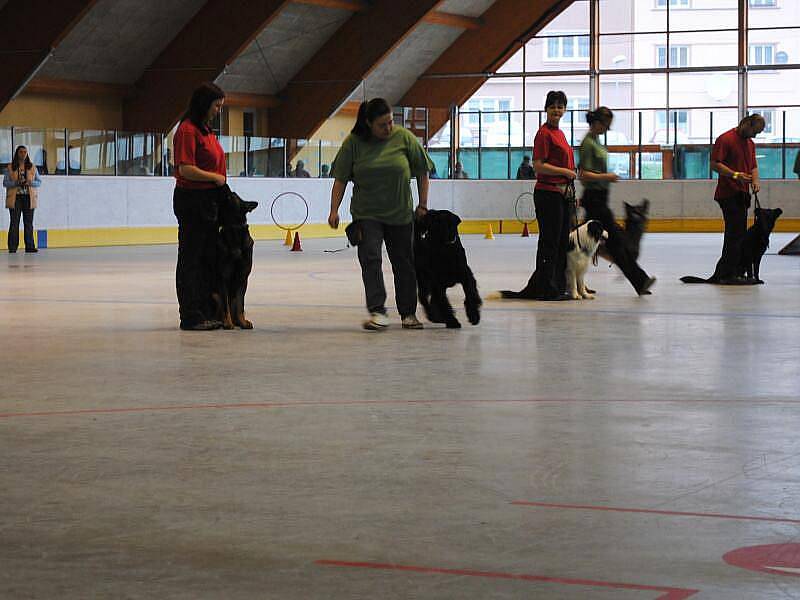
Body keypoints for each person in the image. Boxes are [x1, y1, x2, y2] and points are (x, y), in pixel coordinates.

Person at [328, 97, 432, 330]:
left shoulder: (404, 138)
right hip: (367, 214)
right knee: (370, 259)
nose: (388, 128)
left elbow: (423, 172)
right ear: (368, 124)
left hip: (401, 214)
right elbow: (340, 179)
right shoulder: (353, 143)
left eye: (390, 122)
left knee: (404, 263)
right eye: (382, 124)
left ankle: (408, 313)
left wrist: (423, 204)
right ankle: (378, 311)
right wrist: (333, 210)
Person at [505, 91, 576, 300]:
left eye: (561, 106)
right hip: (548, 194)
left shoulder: (560, 134)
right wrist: (565, 172)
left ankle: (559, 286)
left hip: (563, 194)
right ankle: (546, 288)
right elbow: (539, 166)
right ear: (546, 109)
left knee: (562, 242)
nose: (557, 110)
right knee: (550, 243)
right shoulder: (543, 134)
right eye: (553, 106)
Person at [579, 107, 655, 295]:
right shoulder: (588, 143)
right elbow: (583, 175)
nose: (607, 129)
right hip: (595, 201)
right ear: (597, 123)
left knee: (600, 245)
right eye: (606, 125)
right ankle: (640, 280)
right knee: (615, 242)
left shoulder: (596, 141)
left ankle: (640, 281)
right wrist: (607, 176)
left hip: (601, 199)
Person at [172, 82, 227, 330]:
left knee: (207, 259)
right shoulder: (187, 131)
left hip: (209, 201)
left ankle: (206, 311)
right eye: (217, 106)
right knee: (191, 259)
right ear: (205, 104)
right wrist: (214, 177)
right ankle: (190, 314)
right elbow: (185, 168)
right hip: (193, 200)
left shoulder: (206, 131)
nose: (219, 110)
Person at [708, 114, 764, 284]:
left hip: (742, 193)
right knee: (735, 235)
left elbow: (753, 166)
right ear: (746, 124)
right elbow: (714, 164)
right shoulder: (725, 139)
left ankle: (728, 271)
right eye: (754, 131)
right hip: (728, 193)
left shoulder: (750, 144)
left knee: (738, 235)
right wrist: (735, 175)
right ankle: (727, 274)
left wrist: (755, 181)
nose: (755, 136)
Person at [4, 145, 41, 253]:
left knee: (28, 223)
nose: (23, 154)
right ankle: (12, 247)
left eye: (25, 152)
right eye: (21, 152)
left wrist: (30, 182)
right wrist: (16, 183)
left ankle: (29, 246)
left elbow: (39, 182)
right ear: (17, 153)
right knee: (14, 222)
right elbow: (5, 183)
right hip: (15, 198)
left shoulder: (32, 167)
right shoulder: (10, 167)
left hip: (29, 197)